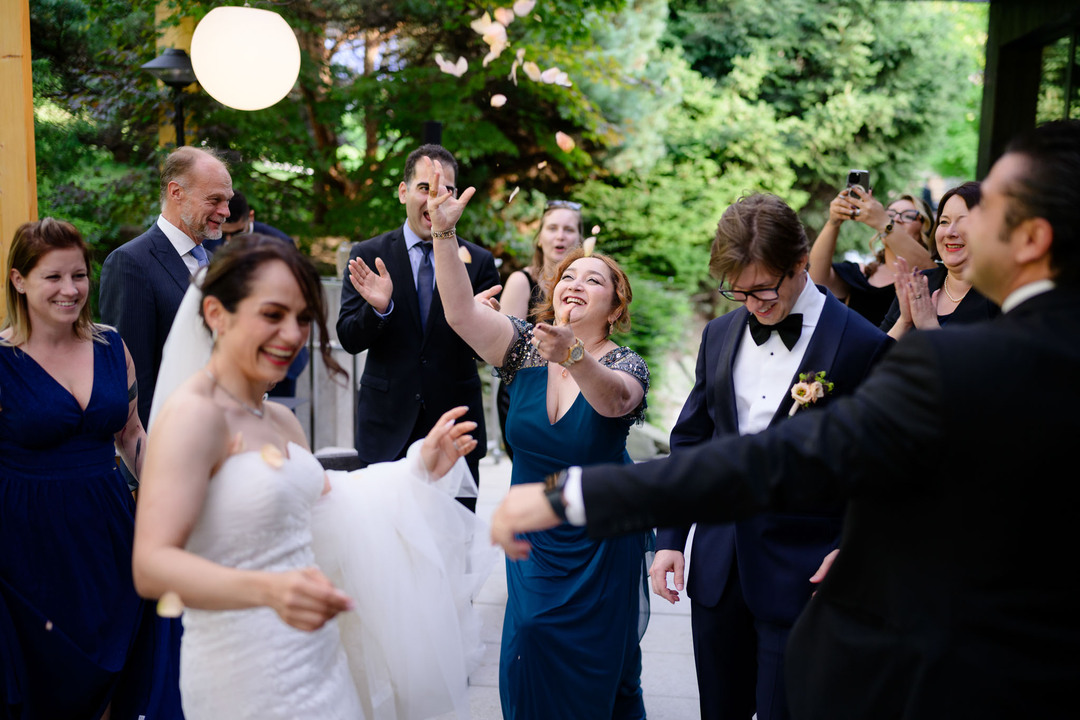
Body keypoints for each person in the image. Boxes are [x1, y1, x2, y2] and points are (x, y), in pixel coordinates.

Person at [490, 119, 1080, 719]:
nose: (960, 226)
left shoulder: (970, 360)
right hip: (727, 575)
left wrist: (578, 495)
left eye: (988, 207)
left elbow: (798, 455)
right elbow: (701, 435)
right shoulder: (727, 336)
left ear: (1032, 236)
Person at [132, 234, 495, 720]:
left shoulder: (279, 421)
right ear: (217, 314)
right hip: (242, 672)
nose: (292, 334)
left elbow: (335, 504)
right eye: (272, 314)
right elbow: (152, 566)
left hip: (319, 661)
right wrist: (269, 590)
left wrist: (417, 467)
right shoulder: (194, 417)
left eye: (303, 318)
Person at [423, 157, 653, 719]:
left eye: (593, 279)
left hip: (600, 536)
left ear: (615, 306)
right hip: (532, 529)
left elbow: (615, 401)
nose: (576, 283)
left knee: (596, 666)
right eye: (569, 276)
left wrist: (575, 357)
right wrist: (443, 234)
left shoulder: (626, 363)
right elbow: (458, 313)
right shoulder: (523, 345)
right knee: (527, 645)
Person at [650, 194, 892, 720]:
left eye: (763, 289)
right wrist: (670, 539)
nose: (752, 304)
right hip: (716, 570)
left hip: (805, 572)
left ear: (800, 263)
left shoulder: (862, 345)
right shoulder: (719, 333)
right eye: (737, 291)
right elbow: (692, 438)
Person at [1, 219, 182, 719]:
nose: (70, 289)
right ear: (19, 280)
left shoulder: (111, 345)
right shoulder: (1, 360)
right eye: (52, 277)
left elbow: (131, 435)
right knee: (44, 679)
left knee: (118, 664)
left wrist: (173, 505)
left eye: (78, 275)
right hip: (25, 547)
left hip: (108, 535)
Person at [337, 144, 500, 510]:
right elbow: (348, 337)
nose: (435, 199)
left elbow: (489, 354)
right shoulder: (367, 253)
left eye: (446, 190)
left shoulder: (479, 261)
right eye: (425, 188)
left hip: (455, 429)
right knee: (383, 543)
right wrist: (380, 309)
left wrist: (479, 321)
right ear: (403, 192)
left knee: (451, 549)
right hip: (387, 428)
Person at [100, 145, 233, 428]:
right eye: (215, 199)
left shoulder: (212, 263)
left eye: (227, 200)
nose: (226, 211)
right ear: (176, 192)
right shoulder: (130, 262)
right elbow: (133, 379)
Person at [496, 199, 584, 459]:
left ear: (580, 238)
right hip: (525, 399)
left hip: (576, 396)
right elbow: (505, 351)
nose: (560, 236)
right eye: (552, 228)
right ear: (539, 238)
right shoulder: (521, 282)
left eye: (569, 230)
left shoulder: (589, 287)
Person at [205, 190, 310, 398]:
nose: (228, 241)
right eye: (225, 233)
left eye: (236, 233)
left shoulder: (280, 244)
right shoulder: (209, 242)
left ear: (250, 217)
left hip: (279, 361)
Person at [880, 182, 999, 339]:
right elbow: (874, 356)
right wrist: (904, 322)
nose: (950, 232)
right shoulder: (919, 283)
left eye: (963, 221)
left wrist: (930, 328)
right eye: (944, 222)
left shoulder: (1001, 296)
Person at [809, 184, 935, 326]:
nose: (896, 220)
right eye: (890, 215)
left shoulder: (933, 276)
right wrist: (833, 223)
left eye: (908, 216)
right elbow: (816, 279)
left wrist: (884, 222)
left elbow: (929, 269)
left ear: (925, 228)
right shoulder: (861, 275)